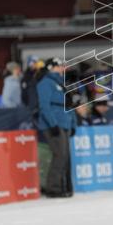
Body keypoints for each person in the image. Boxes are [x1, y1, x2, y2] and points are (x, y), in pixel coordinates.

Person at [37, 58, 73, 197]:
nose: (62, 68)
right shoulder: (45, 83)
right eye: (59, 66)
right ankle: (53, 188)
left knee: (65, 156)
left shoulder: (62, 83)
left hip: (64, 122)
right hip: (54, 123)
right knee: (60, 155)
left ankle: (65, 186)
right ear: (51, 67)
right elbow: (44, 106)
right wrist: (52, 124)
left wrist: (72, 123)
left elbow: (69, 105)